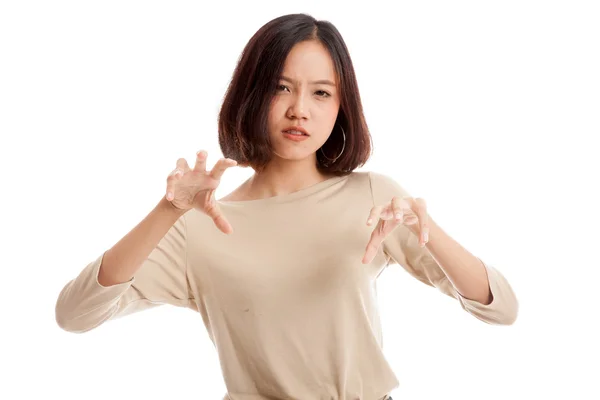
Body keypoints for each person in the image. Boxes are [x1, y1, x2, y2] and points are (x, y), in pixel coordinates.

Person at [55, 13, 518, 400]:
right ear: (252, 95)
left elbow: (500, 309)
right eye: (281, 88)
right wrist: (168, 210)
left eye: (321, 92)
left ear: (341, 106)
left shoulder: (373, 197)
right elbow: (74, 316)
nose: (300, 109)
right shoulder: (201, 226)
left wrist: (428, 229)